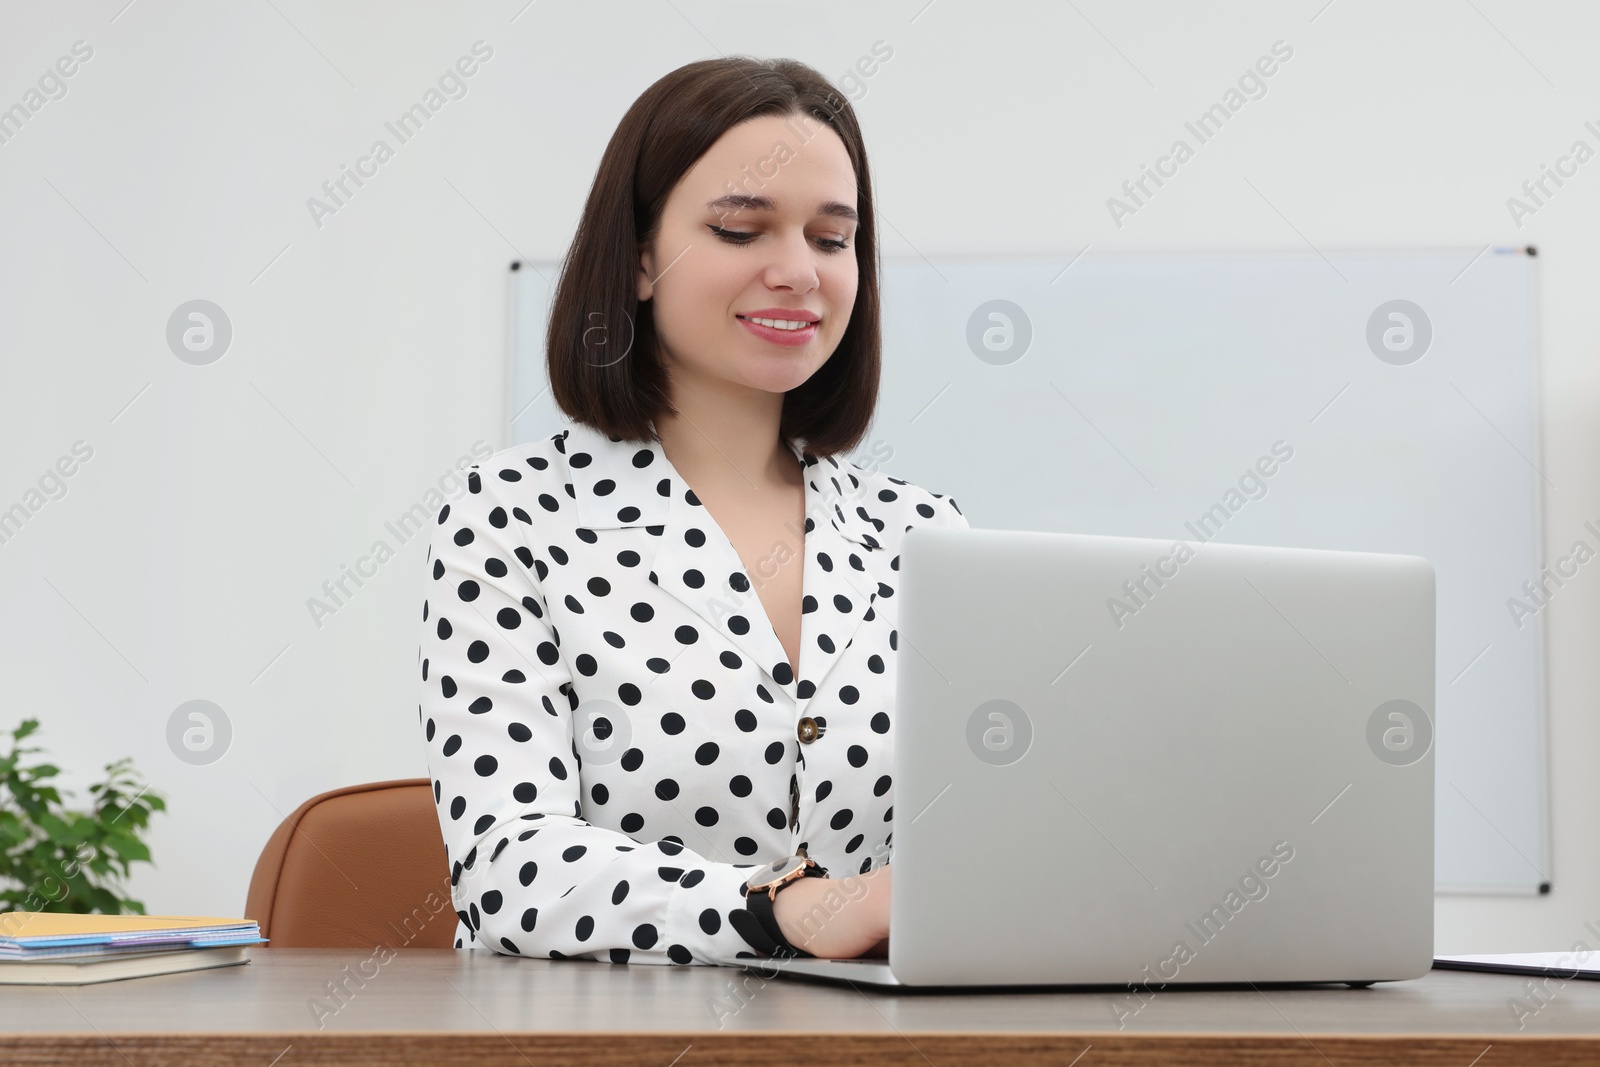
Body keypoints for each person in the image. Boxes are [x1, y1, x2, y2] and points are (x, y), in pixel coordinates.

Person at [418, 55, 967, 966]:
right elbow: (507, 868)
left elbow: (983, 841)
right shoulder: (510, 514)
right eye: (741, 230)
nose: (799, 271)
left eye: (833, 241)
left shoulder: (924, 535)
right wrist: (777, 910)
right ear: (638, 258)